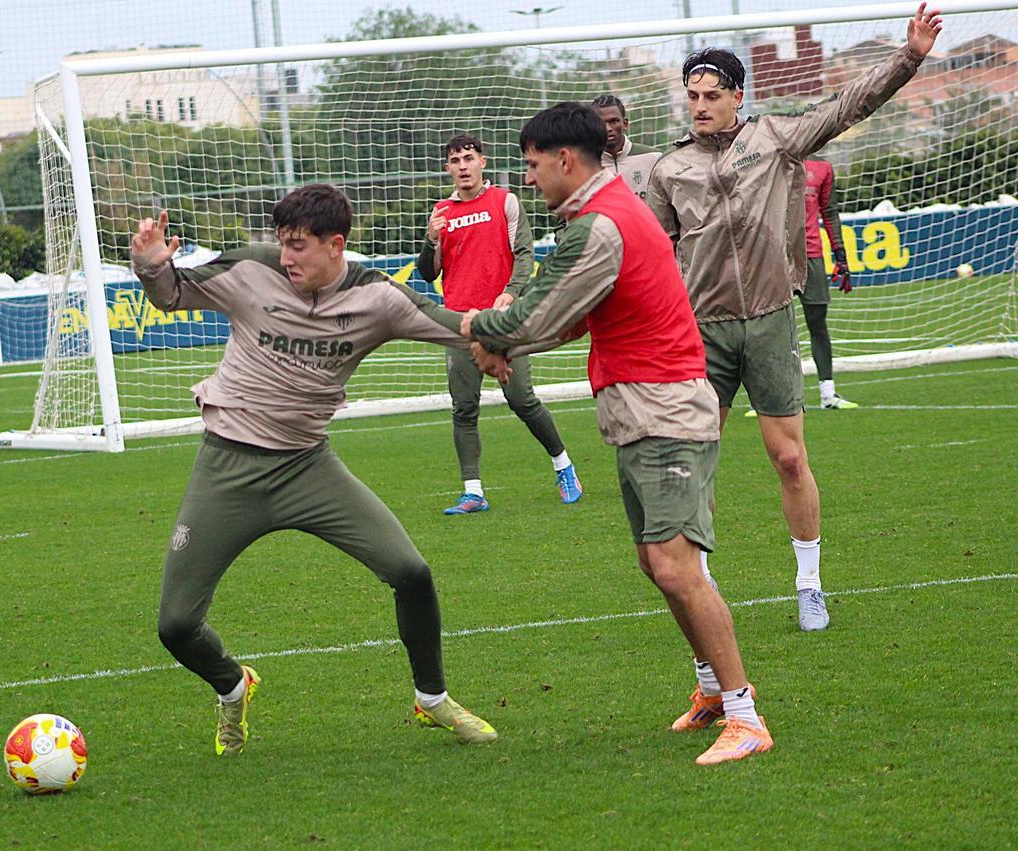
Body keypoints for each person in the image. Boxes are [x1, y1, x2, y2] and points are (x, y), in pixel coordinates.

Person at [130, 184, 500, 755]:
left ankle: (432, 700)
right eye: (281, 243)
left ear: (337, 245)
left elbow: (456, 324)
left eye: (298, 246)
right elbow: (172, 294)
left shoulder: (377, 298)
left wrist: (497, 340)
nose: (286, 257)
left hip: (309, 468)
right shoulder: (251, 270)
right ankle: (233, 686)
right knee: (175, 626)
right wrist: (152, 267)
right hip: (227, 466)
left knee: (412, 572)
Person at [462, 102, 771, 765]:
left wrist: (475, 331)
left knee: (675, 564)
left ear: (566, 160)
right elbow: (572, 316)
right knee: (657, 563)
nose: (531, 179)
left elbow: (532, 318)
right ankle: (715, 691)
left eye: (534, 166)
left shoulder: (600, 224)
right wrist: (506, 342)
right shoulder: (606, 214)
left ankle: (746, 714)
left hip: (665, 409)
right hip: (643, 409)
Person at [645, 3, 943, 633]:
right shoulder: (669, 170)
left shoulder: (775, 138)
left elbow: (847, 106)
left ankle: (810, 583)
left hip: (771, 322)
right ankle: (705, 583)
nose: (699, 105)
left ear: (737, 96)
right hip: (704, 332)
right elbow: (654, 253)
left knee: (787, 457)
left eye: (711, 95)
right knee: (698, 459)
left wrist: (909, 56)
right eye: (691, 95)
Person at [417, 133, 582, 515]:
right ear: (448, 168)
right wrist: (431, 239)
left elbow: (524, 253)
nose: (462, 166)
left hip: (504, 319)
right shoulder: (441, 212)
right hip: (458, 322)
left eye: (468, 158)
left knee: (521, 398)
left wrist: (511, 293)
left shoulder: (505, 202)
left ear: (482, 162)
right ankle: (473, 491)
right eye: (455, 160)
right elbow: (428, 273)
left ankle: (564, 466)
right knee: (464, 408)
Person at [802, 157, 859, 410]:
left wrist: (841, 256)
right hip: (774, 257)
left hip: (812, 256)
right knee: (772, 329)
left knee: (817, 323)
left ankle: (828, 394)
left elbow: (830, 212)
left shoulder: (822, 168)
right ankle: (770, 400)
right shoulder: (771, 161)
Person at [591, 94, 661, 199]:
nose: (608, 128)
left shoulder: (654, 158)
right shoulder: (585, 165)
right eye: (600, 123)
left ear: (625, 124)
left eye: (613, 121)